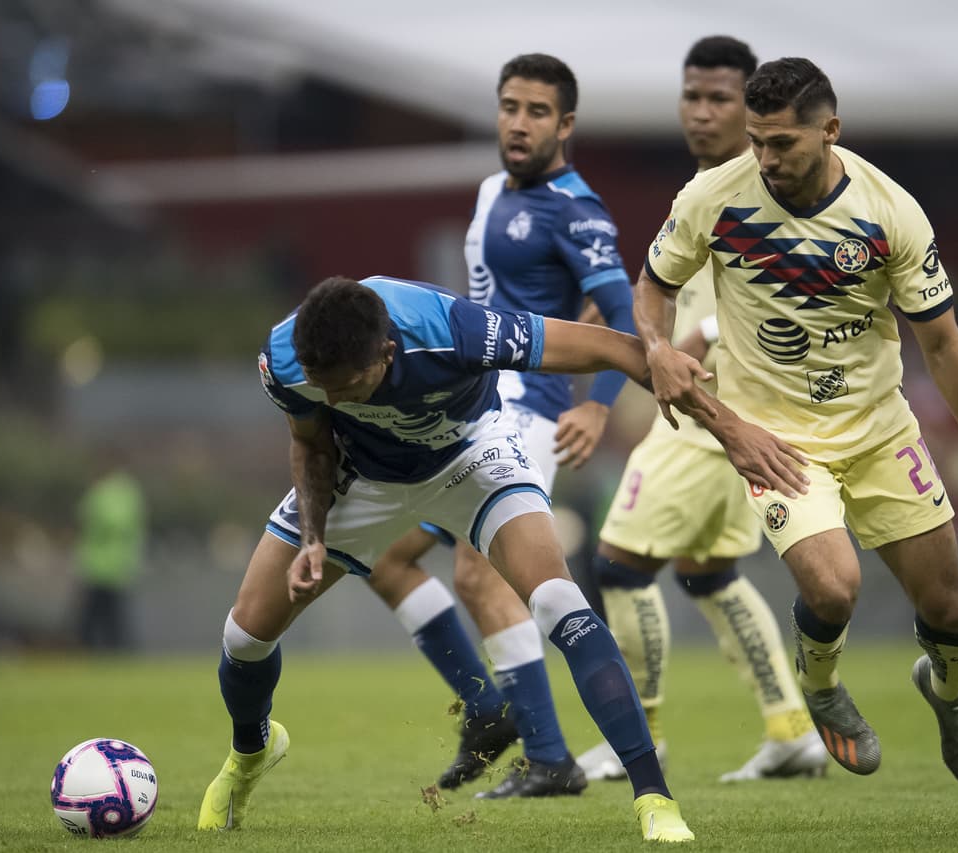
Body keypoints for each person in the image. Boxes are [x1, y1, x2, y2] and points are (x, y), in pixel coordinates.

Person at [198, 274, 709, 842]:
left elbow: (615, 348)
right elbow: (313, 442)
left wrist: (726, 426)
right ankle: (250, 755)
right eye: (325, 388)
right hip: (360, 476)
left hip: (470, 456)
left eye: (349, 386)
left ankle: (654, 795)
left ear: (387, 352)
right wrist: (315, 539)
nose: (336, 399)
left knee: (560, 601)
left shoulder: (452, 330)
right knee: (244, 638)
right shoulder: (288, 360)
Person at [633, 57, 958, 789]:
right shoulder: (714, 196)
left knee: (948, 608)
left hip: (879, 430)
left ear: (830, 130)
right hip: (776, 438)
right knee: (834, 586)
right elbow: (653, 286)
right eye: (756, 141)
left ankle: (949, 692)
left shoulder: (890, 211)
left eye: (782, 143)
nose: (765, 158)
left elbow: (942, 344)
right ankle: (819, 689)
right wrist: (656, 346)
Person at [359, 52, 637, 798]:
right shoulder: (490, 191)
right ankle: (489, 710)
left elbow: (625, 315)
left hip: (530, 414)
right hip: (472, 405)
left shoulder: (577, 210)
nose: (519, 122)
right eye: (509, 106)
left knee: (480, 571)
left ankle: (549, 756)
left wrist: (597, 400)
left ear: (566, 125)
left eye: (537, 111)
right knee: (388, 560)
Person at [578, 36, 826, 785]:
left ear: (751, 106)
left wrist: (706, 333)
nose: (702, 110)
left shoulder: (761, 185)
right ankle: (789, 730)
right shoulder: (705, 187)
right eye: (692, 95)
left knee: (618, 564)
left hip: (715, 410)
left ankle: (639, 738)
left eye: (720, 97)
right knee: (711, 569)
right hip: (720, 409)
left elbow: (796, 286)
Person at [75, 460, 146, 651]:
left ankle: (92, 650)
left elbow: (89, 521)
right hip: (117, 565)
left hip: (99, 565)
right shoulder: (130, 494)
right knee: (110, 617)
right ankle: (114, 651)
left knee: (94, 617)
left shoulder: (101, 493)